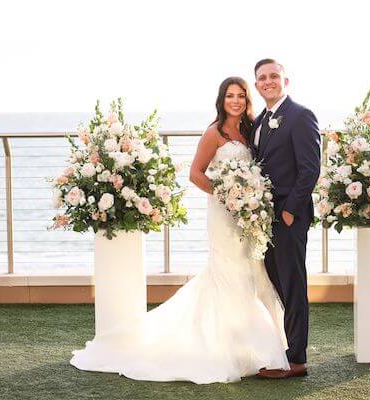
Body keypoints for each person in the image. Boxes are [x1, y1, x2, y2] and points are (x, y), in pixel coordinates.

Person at [70, 76, 289, 384]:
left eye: (241, 95)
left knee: (254, 273)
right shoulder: (214, 133)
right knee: (229, 274)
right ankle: (228, 351)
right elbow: (195, 174)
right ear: (221, 100)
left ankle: (255, 346)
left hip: (249, 215)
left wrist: (250, 201)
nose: (236, 101)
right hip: (224, 214)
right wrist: (228, 196)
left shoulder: (251, 130)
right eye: (230, 96)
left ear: (247, 100)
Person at [252, 59, 321, 379]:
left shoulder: (300, 116)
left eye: (274, 76)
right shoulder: (258, 121)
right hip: (264, 217)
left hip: (289, 215)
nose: (268, 82)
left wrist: (291, 210)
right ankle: (282, 344)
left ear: (285, 81)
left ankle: (297, 359)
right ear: (256, 85)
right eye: (262, 78)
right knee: (275, 279)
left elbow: (310, 169)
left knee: (293, 284)